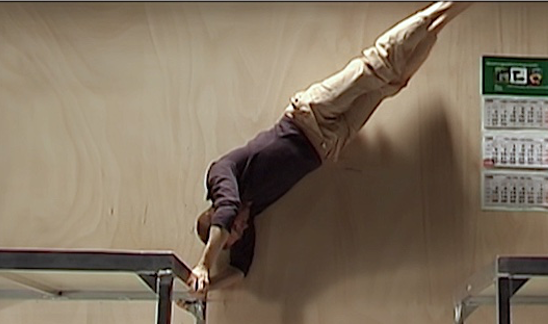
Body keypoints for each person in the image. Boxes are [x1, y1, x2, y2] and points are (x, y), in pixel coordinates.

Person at [188, 2, 471, 297]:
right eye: (238, 235)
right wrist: (209, 286)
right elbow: (240, 271)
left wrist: (204, 265)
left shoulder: (221, 175)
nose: (243, 230)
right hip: (332, 141)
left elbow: (227, 210)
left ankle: (442, 8)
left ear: (219, 217)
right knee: (392, 83)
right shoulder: (252, 208)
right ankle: (440, 23)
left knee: (377, 65)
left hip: (310, 115)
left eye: (235, 230)